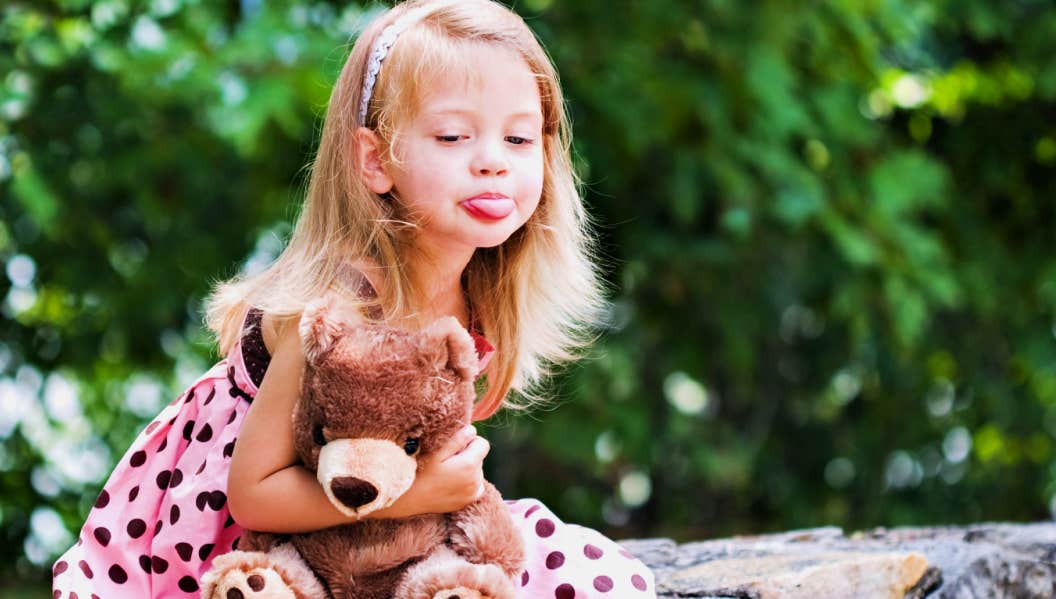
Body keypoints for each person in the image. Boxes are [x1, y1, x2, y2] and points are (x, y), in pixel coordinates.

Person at [52, 0, 656, 596]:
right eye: (453, 135)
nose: (493, 163)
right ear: (375, 160)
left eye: (520, 139)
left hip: (373, 536)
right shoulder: (337, 306)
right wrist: (421, 497)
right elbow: (253, 495)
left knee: (569, 572)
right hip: (240, 541)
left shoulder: (479, 297)